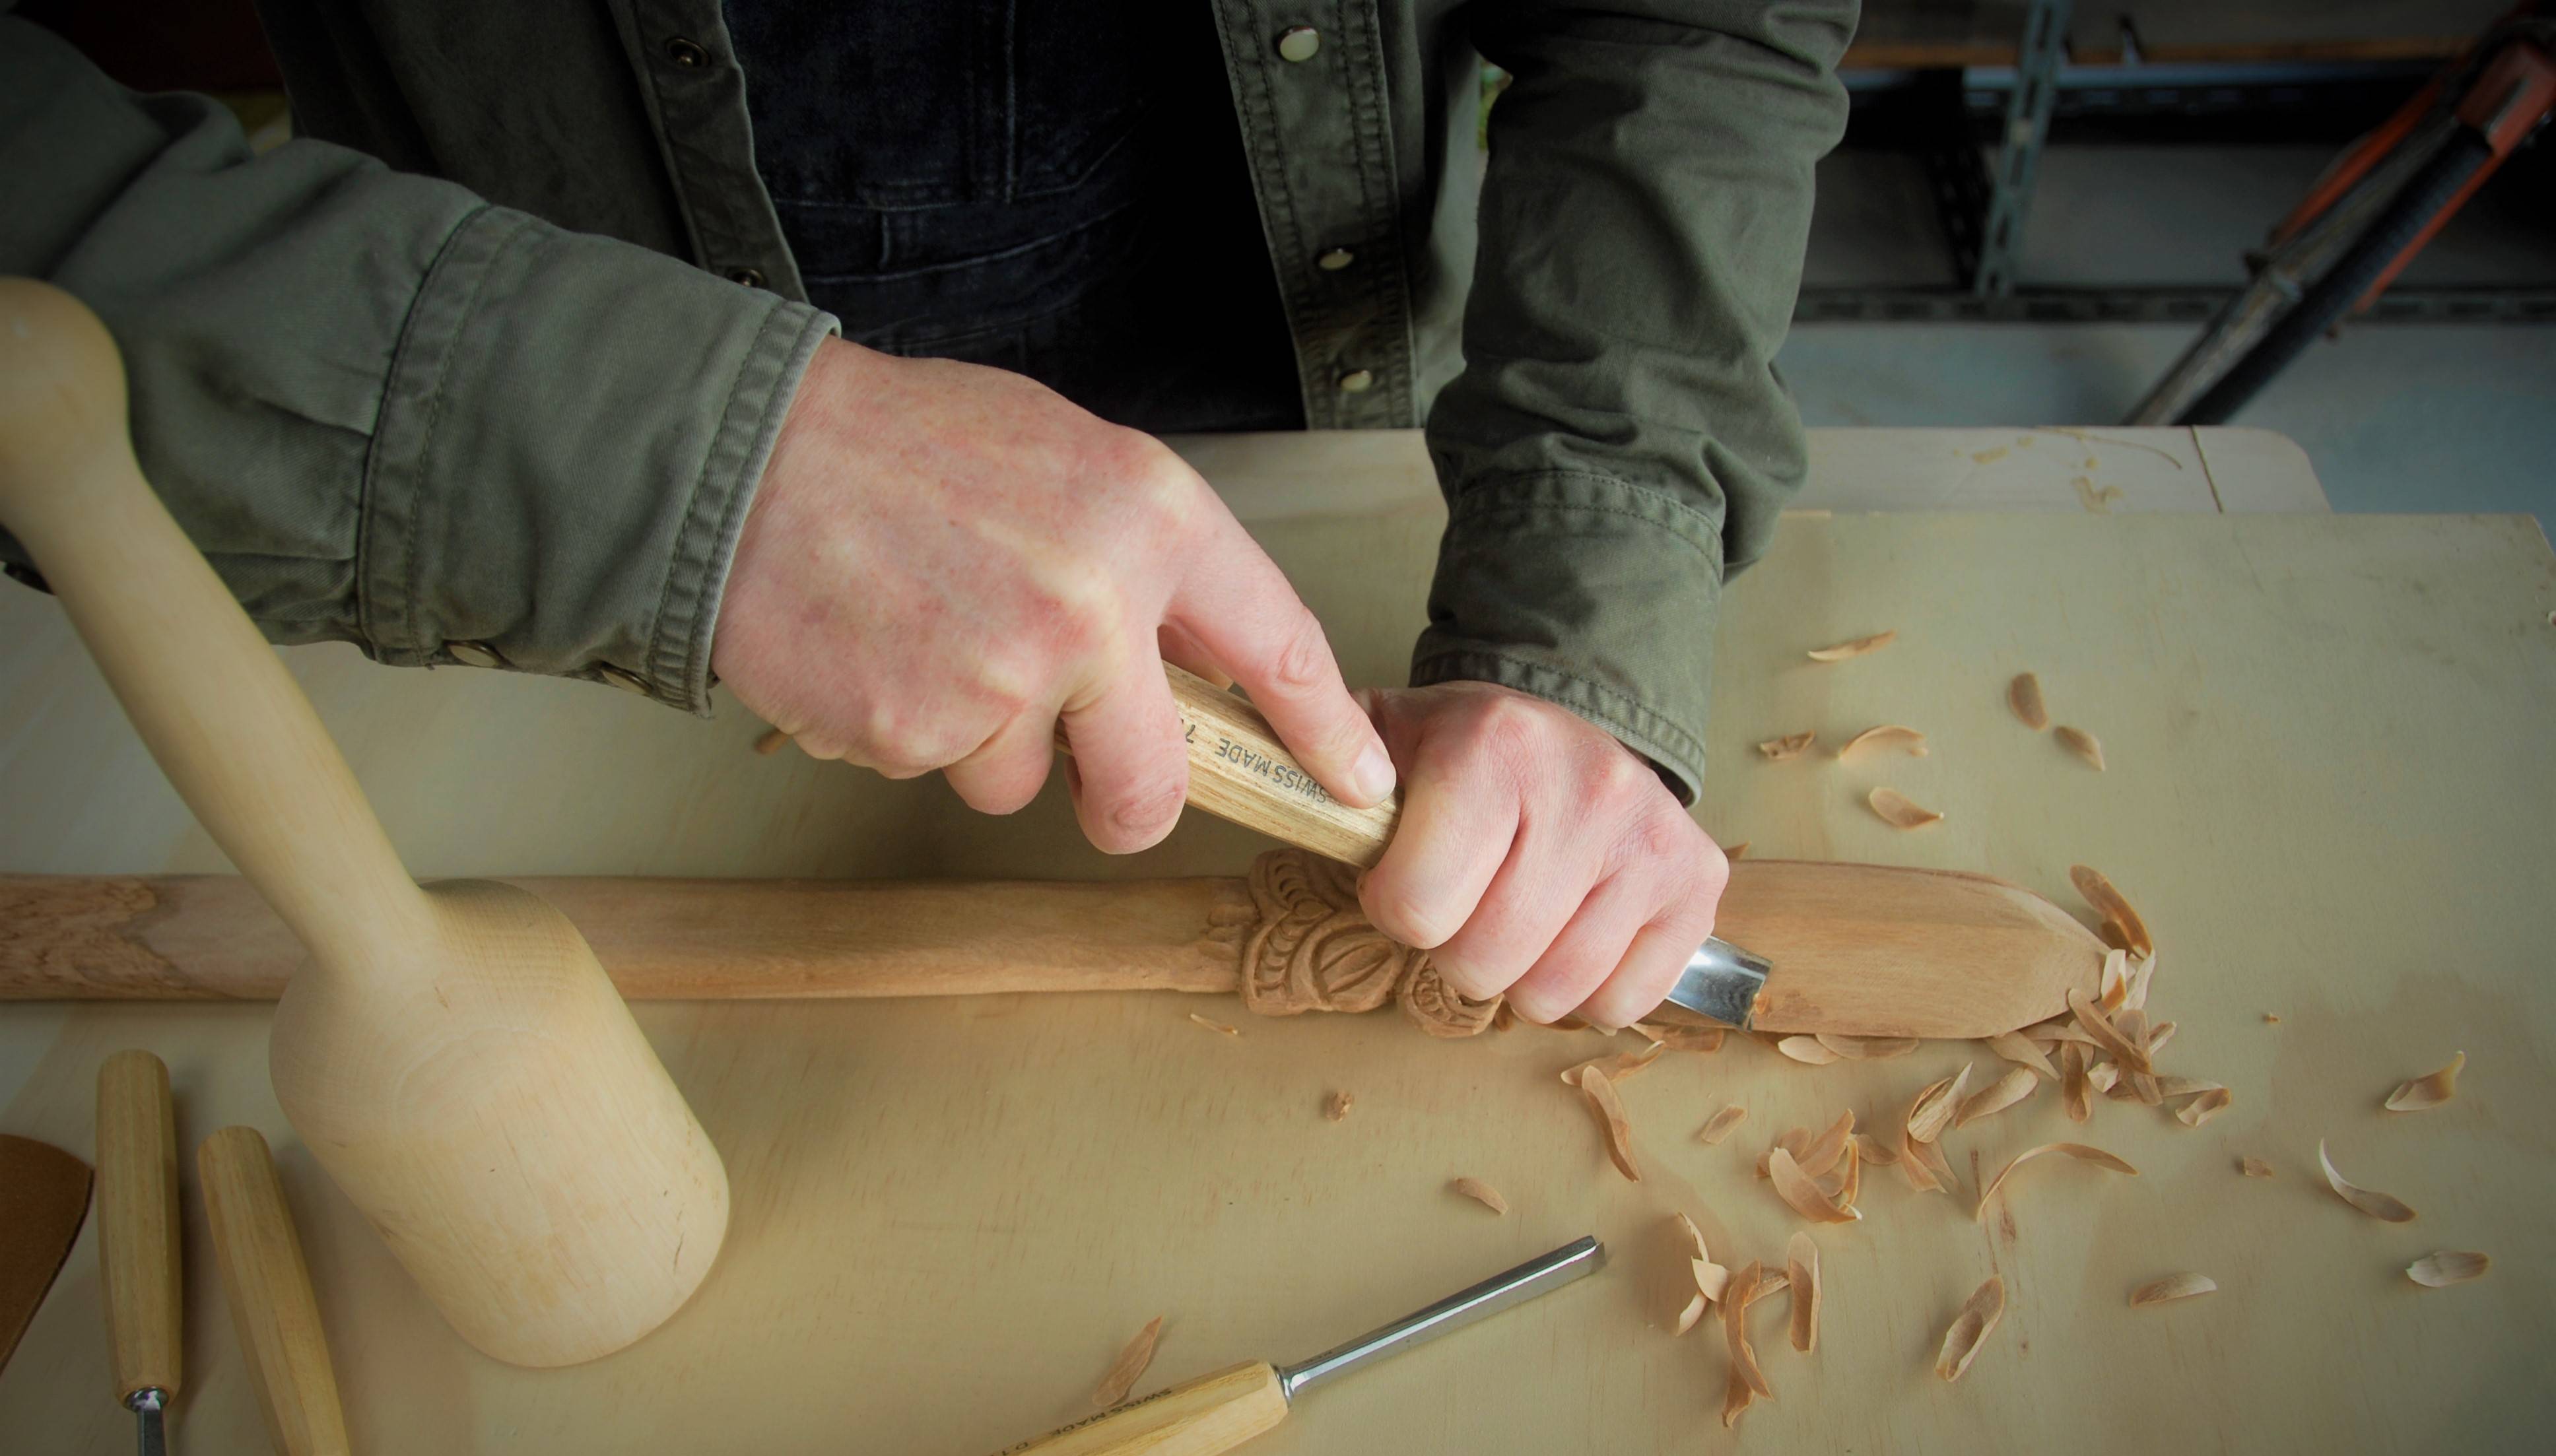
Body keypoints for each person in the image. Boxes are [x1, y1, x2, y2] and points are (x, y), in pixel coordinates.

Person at [0, 1, 1852, 1027]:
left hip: (1336, 449)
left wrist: (1588, 575)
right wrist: (694, 458)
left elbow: (1693, 22)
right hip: (500, 567)